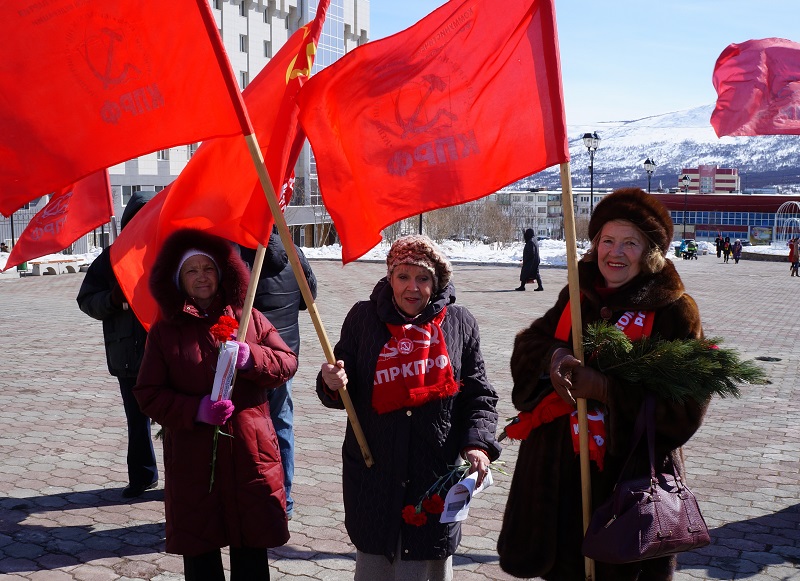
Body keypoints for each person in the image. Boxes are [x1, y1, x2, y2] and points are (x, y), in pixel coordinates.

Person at [497, 188, 709, 581]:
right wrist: (553, 357)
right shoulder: (579, 294)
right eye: (607, 240)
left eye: (630, 243)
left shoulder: (674, 310)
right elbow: (531, 343)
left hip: (624, 493)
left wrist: (609, 392)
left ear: (650, 252)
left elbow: (686, 409)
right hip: (557, 488)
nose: (615, 252)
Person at [317, 234, 501, 581]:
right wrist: (331, 382)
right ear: (390, 279)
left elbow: (479, 395)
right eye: (403, 276)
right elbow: (343, 384)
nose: (412, 287)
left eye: (423, 278)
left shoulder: (459, 323)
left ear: (437, 282)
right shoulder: (363, 318)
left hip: (433, 476)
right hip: (375, 475)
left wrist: (477, 444)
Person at [134, 228, 298, 581]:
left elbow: (287, 362)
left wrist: (252, 357)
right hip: (194, 458)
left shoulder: (248, 317)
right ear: (178, 279)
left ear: (221, 272)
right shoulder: (165, 332)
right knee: (201, 551)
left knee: (251, 547)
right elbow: (148, 394)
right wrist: (195, 410)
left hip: (250, 452)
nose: (201, 277)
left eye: (207, 268)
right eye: (191, 270)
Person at [77, 190, 159, 498]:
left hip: (166, 351)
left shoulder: (169, 252)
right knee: (137, 420)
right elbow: (86, 300)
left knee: (176, 420)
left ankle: (181, 479)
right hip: (128, 353)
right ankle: (143, 475)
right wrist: (113, 300)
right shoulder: (110, 258)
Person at [239, 226, 317, 520]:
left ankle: (255, 496)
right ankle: (284, 498)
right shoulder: (293, 251)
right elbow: (308, 297)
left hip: (251, 359)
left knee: (249, 427)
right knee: (281, 424)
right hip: (285, 355)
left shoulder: (238, 255)